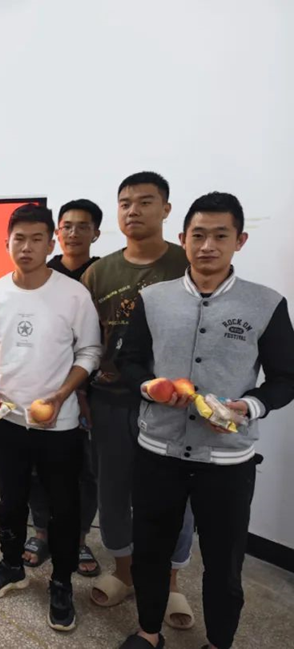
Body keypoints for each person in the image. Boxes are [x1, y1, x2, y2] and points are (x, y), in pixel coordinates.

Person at [116, 192, 294, 649]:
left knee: (224, 561)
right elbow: (130, 362)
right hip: (158, 450)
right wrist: (149, 387)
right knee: (150, 549)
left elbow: (285, 379)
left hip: (228, 459)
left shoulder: (266, 303)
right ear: (183, 238)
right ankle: (148, 631)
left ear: (240, 240)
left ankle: (218, 641)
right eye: (198, 235)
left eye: (220, 235)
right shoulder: (153, 298)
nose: (208, 246)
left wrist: (248, 407)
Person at [0, 204, 101, 632]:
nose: (26, 247)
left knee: (64, 506)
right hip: (6, 419)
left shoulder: (73, 295)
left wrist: (62, 395)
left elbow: (90, 352)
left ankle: (61, 582)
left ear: (51, 244)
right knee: (10, 499)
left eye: (36, 239)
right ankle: (11, 566)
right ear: (6, 243)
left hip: (58, 425)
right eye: (19, 239)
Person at [81, 172, 196, 628]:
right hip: (111, 400)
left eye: (145, 201)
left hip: (173, 405)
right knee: (112, 492)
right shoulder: (99, 272)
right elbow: (84, 341)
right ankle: (124, 573)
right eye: (125, 202)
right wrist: (83, 395)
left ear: (166, 209)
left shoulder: (187, 264)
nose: (133, 210)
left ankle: (170, 583)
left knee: (175, 497)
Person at [24, 199, 102, 577]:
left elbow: (96, 343)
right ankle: (41, 532)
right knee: (37, 468)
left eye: (83, 226)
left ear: (96, 233)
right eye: (67, 226)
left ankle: (80, 538)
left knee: (86, 470)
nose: (74, 233)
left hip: (93, 389)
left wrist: (83, 391)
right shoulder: (42, 273)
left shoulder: (103, 275)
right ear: (56, 234)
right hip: (44, 389)